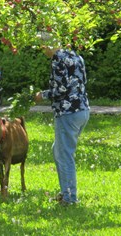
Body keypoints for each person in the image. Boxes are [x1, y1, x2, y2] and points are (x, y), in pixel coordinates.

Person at [35, 34, 90, 206]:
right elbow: (83, 81)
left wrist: (41, 95)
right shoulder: (75, 56)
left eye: (42, 46)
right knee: (58, 151)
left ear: (48, 45)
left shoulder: (57, 59)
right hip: (83, 110)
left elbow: (61, 90)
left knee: (65, 155)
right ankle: (65, 192)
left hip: (68, 112)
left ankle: (69, 198)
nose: (42, 50)